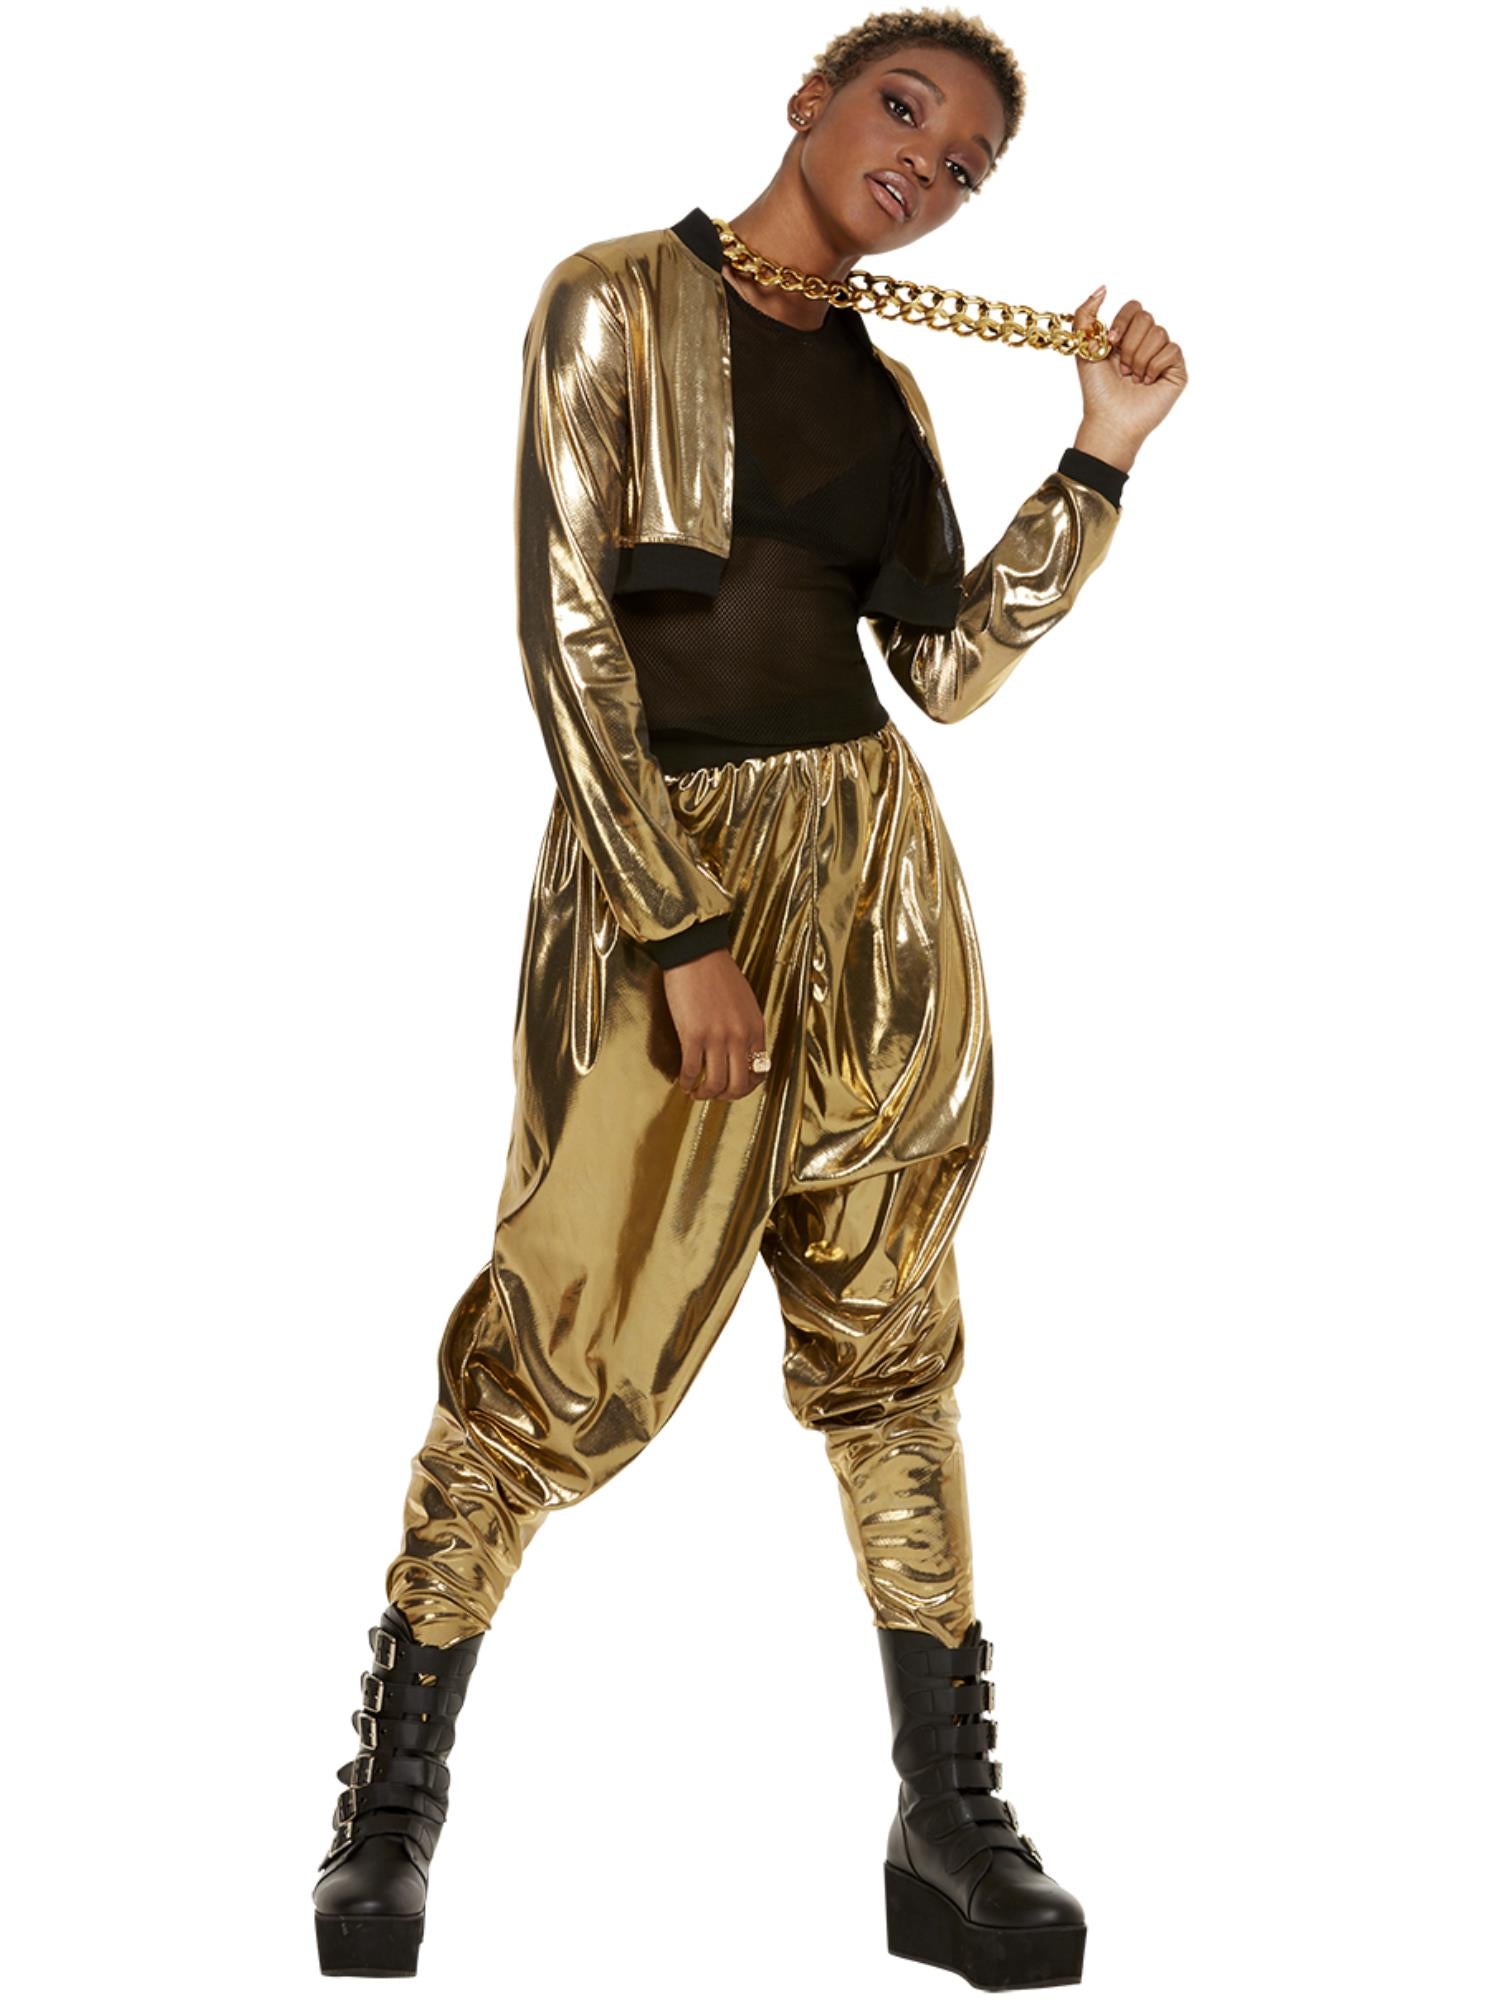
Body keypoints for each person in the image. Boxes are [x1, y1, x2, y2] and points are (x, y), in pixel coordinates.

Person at [311, 6, 1187, 1985]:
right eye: (905, 113)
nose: (926, 169)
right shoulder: (611, 301)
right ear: (811, 96)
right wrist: (677, 930)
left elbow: (943, 672)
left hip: (875, 891)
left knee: (890, 1339)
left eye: (964, 166)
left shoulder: (890, 385)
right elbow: (567, 634)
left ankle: (947, 1818)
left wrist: (1103, 454)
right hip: (669, 879)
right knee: (565, 1337)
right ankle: (390, 1802)